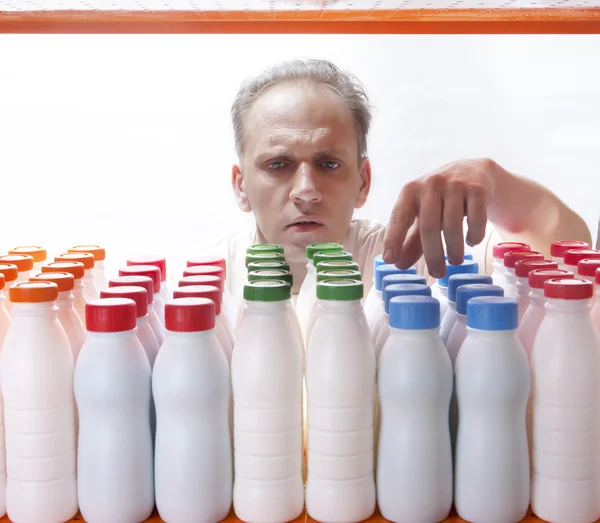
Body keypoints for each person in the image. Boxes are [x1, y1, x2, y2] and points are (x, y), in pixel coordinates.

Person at [203, 59, 591, 304]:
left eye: (328, 163)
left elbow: (567, 257)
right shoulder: (212, 279)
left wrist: (494, 179)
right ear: (241, 186)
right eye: (277, 165)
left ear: (363, 181)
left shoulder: (407, 261)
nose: (306, 190)